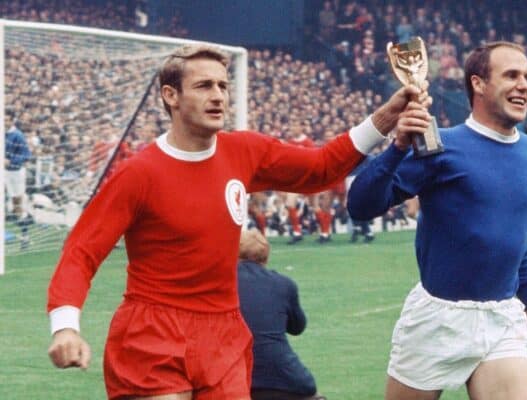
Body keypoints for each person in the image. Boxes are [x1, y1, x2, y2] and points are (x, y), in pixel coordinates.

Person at [46, 44, 431, 400]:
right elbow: (82, 250)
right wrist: (65, 324)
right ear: (171, 96)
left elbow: (320, 168)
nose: (217, 95)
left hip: (224, 334)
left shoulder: (244, 151)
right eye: (203, 86)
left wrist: (386, 117)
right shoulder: (139, 174)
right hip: (155, 331)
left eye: (222, 86)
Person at [347, 41, 527, 400]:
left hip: (501, 317)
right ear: (478, 83)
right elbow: (361, 206)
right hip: (436, 320)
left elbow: (514, 234)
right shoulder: (439, 146)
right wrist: (397, 148)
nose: (524, 84)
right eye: (511, 75)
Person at [237, 229, 325, 400]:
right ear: (266, 257)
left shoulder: (222, 284)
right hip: (286, 377)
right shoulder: (284, 284)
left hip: (237, 376)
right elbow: (297, 327)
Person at [4, 110, 32, 247]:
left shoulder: (17, 135)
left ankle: (25, 235)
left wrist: (11, 161)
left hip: (16, 173)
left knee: (18, 205)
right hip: (5, 173)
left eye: (7, 120)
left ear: (12, 121)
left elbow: (26, 155)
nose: (4, 122)